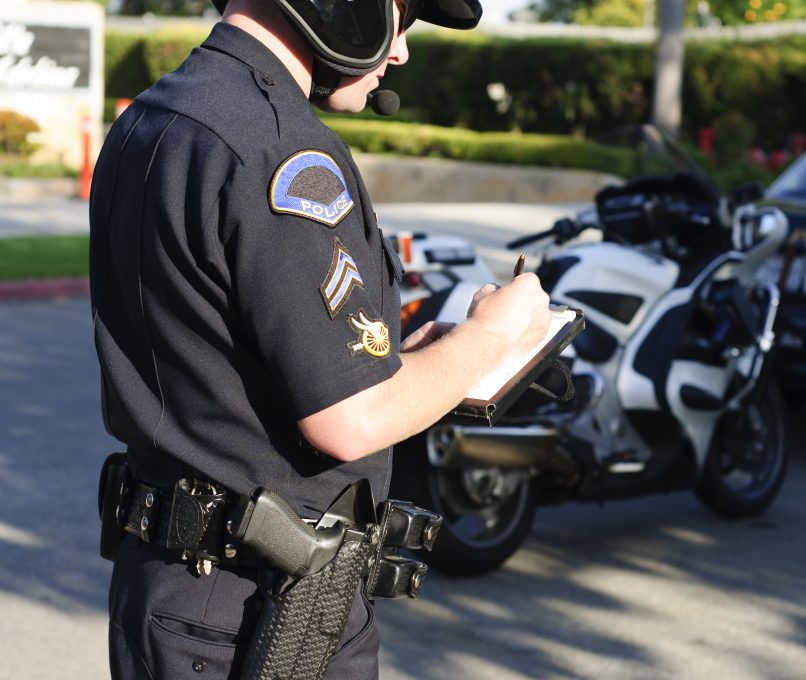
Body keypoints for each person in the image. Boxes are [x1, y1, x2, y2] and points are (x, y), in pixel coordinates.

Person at [88, 0, 553, 676]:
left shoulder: (157, 115)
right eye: (404, 18)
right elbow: (351, 420)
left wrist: (426, 361)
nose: (400, 52)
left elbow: (227, 357)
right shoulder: (281, 148)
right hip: (257, 609)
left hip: (172, 585)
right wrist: (492, 336)